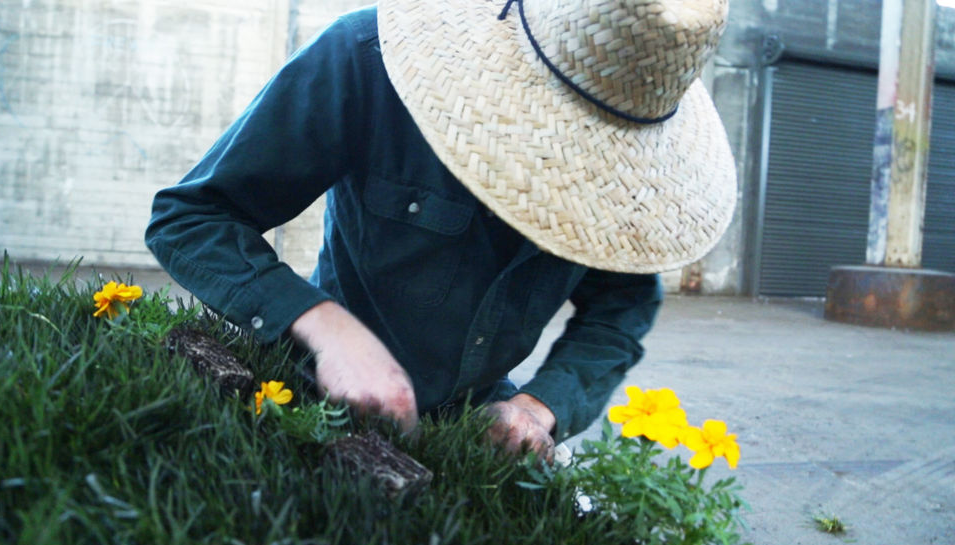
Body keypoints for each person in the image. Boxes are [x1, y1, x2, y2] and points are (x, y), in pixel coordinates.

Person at [145, 0, 736, 460]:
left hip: (480, 424)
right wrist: (327, 328)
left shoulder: (633, 159)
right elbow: (192, 219)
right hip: (313, 387)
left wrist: (540, 405)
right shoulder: (366, 60)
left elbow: (623, 307)